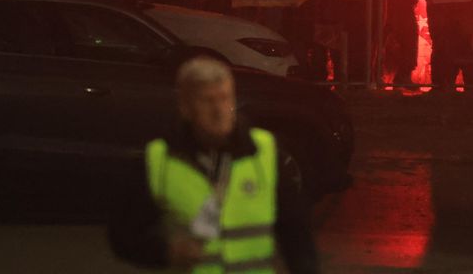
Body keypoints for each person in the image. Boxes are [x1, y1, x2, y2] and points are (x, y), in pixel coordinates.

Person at [108, 57, 318, 273]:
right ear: (185, 107)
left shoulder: (264, 152)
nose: (219, 111)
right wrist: (165, 251)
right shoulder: (159, 160)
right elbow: (124, 237)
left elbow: (297, 236)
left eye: (225, 98)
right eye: (207, 101)